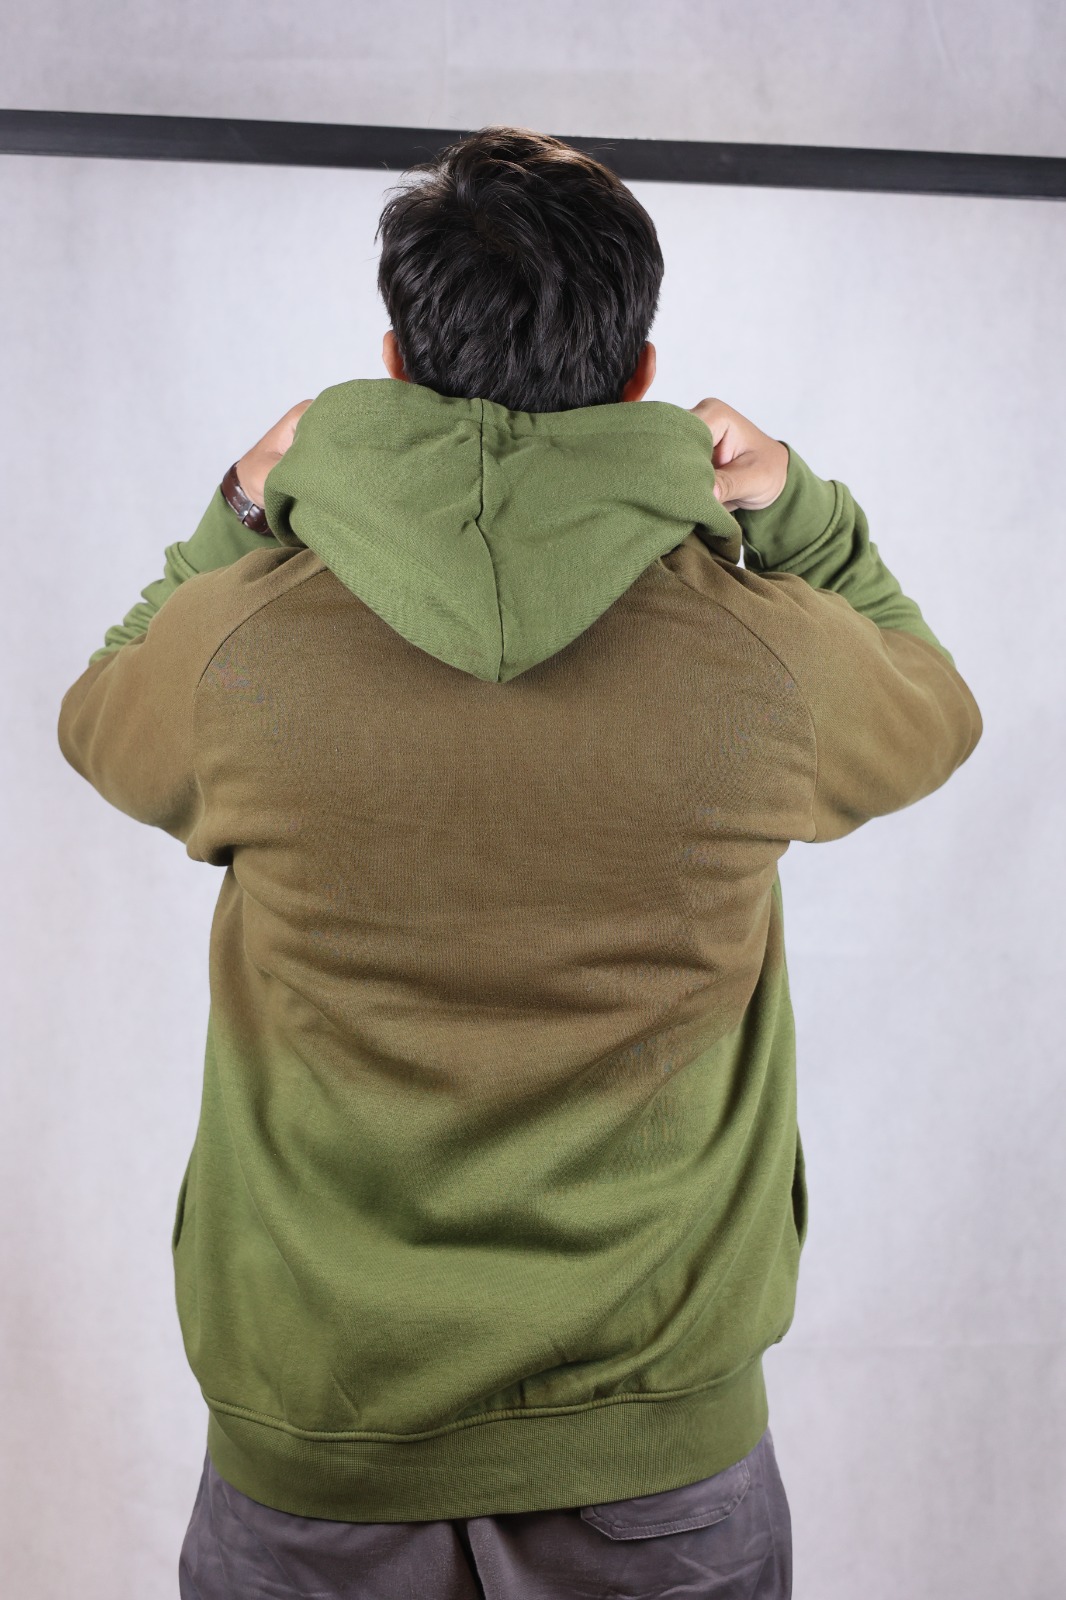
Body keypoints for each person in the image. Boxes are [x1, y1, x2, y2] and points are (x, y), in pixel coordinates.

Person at [56, 126, 982, 1600]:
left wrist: (238, 506)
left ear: (394, 357)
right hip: (652, 1443)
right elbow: (930, 701)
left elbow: (102, 702)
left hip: (321, 1444)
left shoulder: (241, 650)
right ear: (638, 371)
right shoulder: (766, 662)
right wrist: (792, 506)